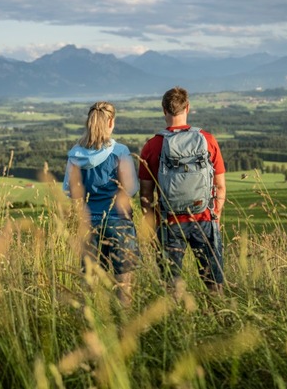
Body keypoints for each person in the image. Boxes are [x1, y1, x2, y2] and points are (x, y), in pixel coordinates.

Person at [139, 87, 226, 294]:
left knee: (172, 285)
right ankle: (221, 320)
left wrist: (152, 227)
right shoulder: (207, 140)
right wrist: (215, 216)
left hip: (169, 221)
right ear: (188, 108)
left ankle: (177, 322)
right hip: (204, 218)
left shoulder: (152, 146)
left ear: (163, 110)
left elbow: (145, 194)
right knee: (214, 284)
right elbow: (220, 186)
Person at [63, 101, 140, 306]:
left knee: (89, 282)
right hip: (119, 221)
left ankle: (90, 325)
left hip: (88, 224)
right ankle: (124, 325)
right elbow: (131, 189)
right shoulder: (120, 152)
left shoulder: (75, 155)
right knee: (123, 283)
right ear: (111, 122)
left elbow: (70, 191)